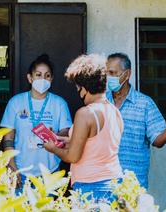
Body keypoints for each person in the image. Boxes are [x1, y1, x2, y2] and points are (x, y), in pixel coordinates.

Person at [44, 54, 123, 203]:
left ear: (84, 88)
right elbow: (98, 144)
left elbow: (73, 157)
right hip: (114, 182)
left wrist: (53, 148)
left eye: (77, 87)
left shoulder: (85, 113)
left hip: (91, 186)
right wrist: (67, 140)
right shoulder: (114, 111)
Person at [106, 53, 166, 189]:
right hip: (104, 183)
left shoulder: (144, 104)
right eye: (106, 73)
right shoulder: (101, 102)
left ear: (127, 74)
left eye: (112, 73)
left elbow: (157, 140)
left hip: (132, 185)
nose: (108, 78)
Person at [0, 54, 72, 191]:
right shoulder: (16, 102)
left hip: (49, 172)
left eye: (47, 76)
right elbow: (8, 137)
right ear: (30, 77)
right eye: (38, 75)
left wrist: (55, 135)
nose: (43, 79)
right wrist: (12, 165)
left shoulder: (59, 103)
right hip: (21, 171)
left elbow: (66, 131)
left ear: (52, 79)